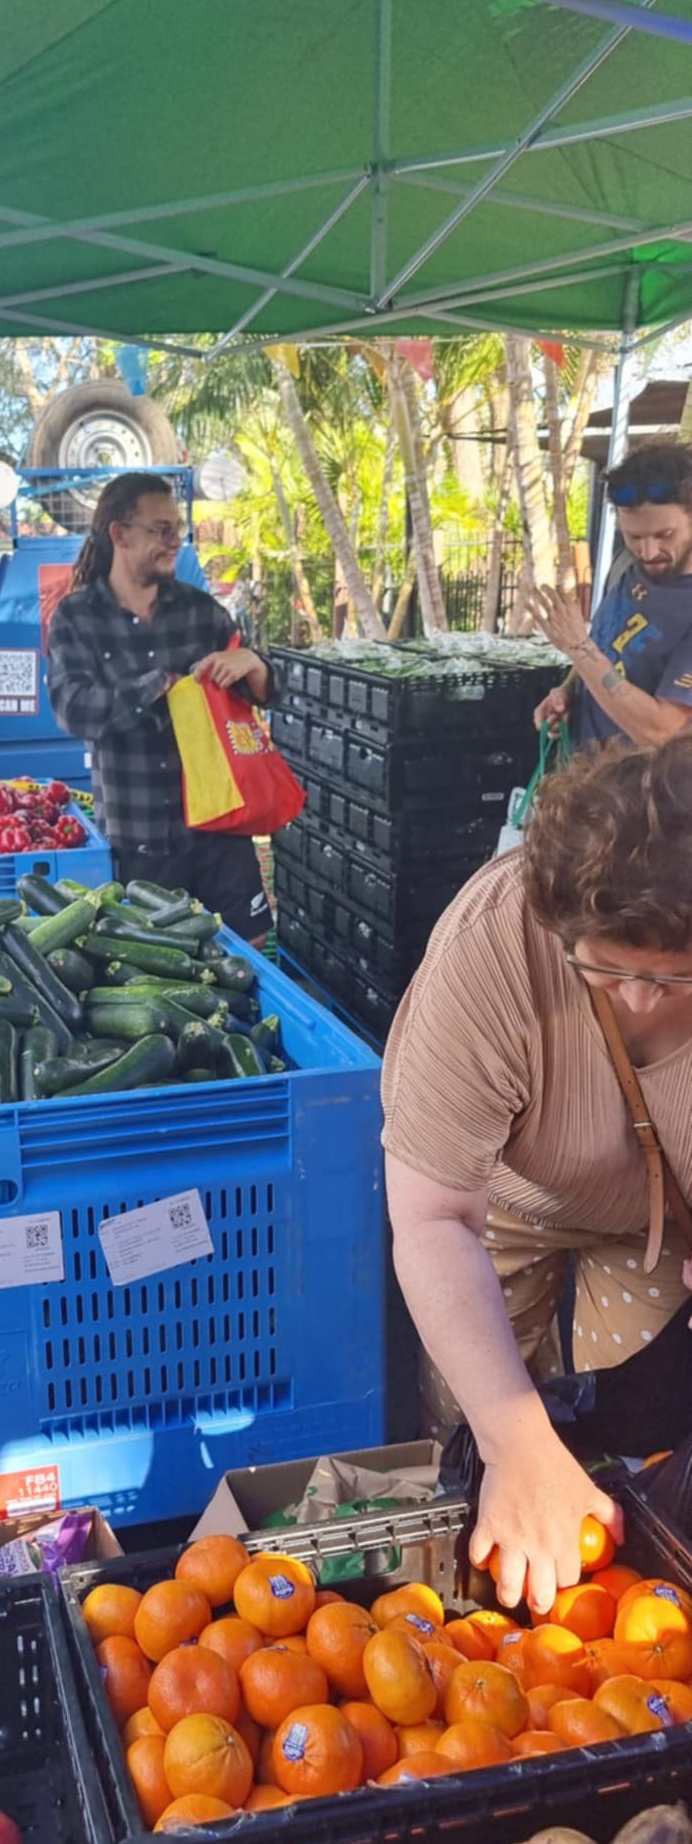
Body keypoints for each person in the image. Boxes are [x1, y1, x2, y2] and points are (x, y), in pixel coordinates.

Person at [381, 734, 692, 1614]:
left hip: (664, 1218)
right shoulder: (492, 947)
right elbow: (434, 1218)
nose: (640, 999)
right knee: (488, 1417)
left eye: (676, 979)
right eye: (608, 968)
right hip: (504, 1202)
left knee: (632, 1429)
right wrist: (511, 1439)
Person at [46, 473, 275, 943]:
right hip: (141, 838)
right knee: (161, 964)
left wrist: (254, 664)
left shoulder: (201, 611)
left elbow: (266, 691)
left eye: (178, 528)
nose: (175, 541)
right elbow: (72, 709)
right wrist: (156, 684)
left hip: (221, 827)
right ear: (120, 534)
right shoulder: (77, 617)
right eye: (161, 529)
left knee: (248, 954)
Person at [533, 441, 692, 747]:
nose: (648, 552)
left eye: (665, 535)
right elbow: (607, 649)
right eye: (633, 537)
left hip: (644, 779)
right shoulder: (626, 567)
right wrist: (568, 691)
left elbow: (661, 733)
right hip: (586, 770)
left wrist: (579, 648)